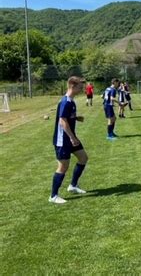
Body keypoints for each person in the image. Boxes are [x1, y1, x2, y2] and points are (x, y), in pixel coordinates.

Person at [49, 76, 89, 204]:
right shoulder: (66, 101)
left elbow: (66, 117)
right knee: (63, 167)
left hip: (71, 138)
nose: (81, 90)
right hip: (63, 140)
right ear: (72, 86)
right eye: (79, 87)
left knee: (83, 158)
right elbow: (62, 121)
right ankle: (53, 196)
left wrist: (76, 118)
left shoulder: (71, 101)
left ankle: (73, 186)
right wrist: (72, 138)